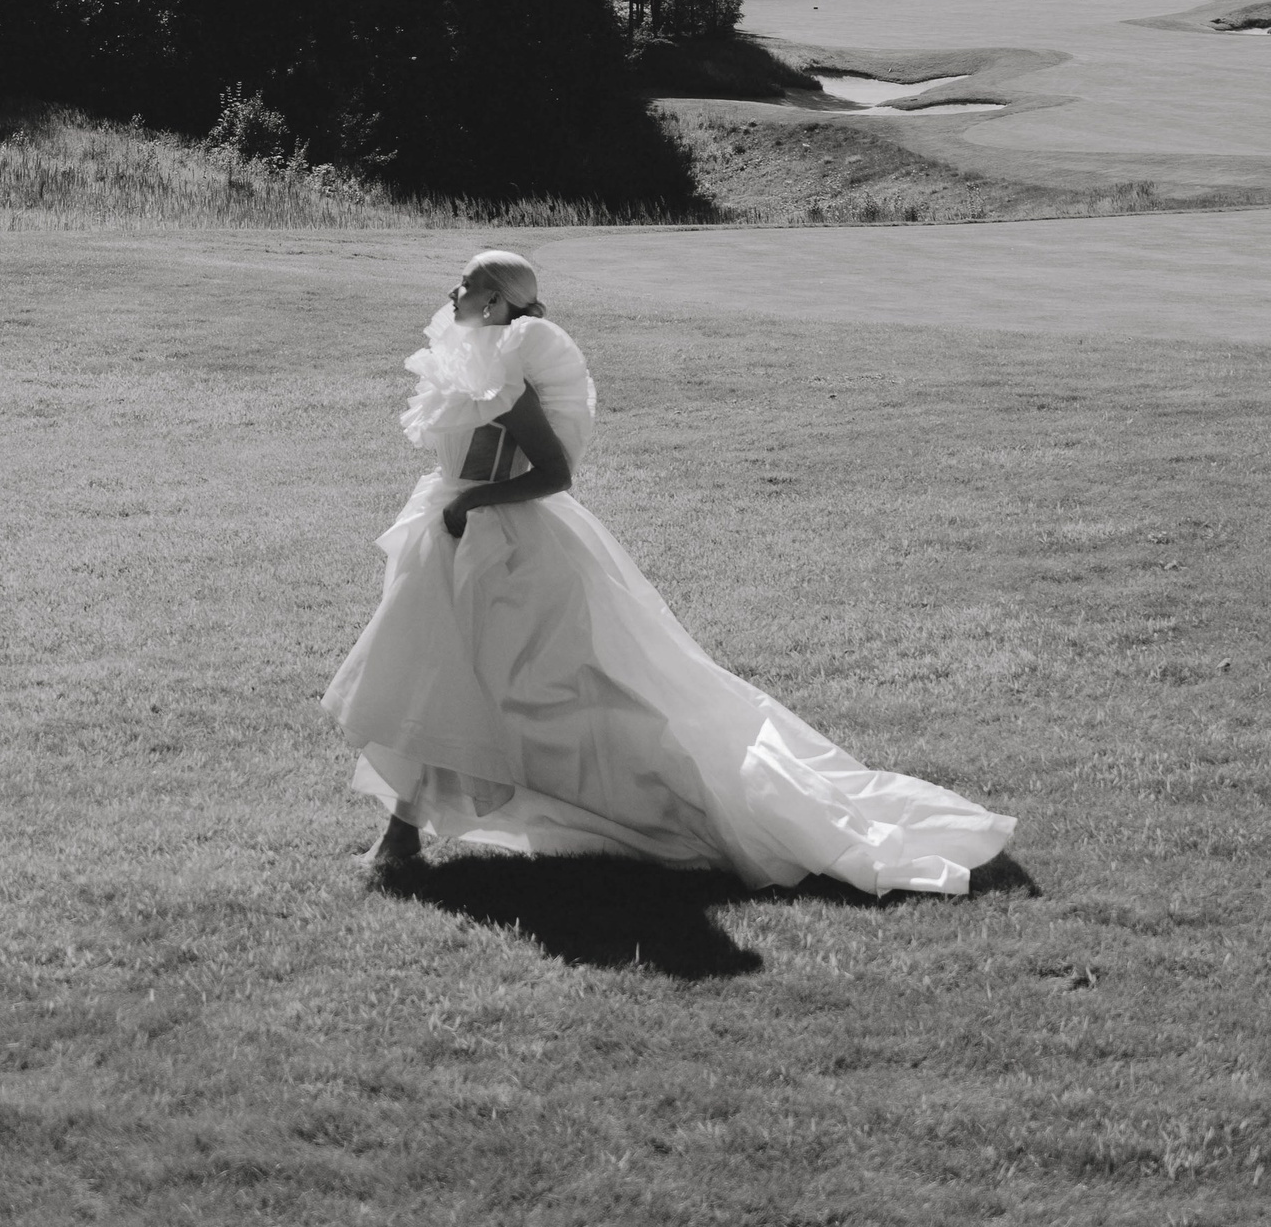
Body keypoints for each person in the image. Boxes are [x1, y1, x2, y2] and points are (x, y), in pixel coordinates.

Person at [322, 249, 1015, 894]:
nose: (455, 291)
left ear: (497, 302)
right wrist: (456, 503)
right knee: (433, 677)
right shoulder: (472, 362)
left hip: (499, 541)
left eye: (468, 283)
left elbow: (555, 472)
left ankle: (659, 804)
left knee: (521, 688)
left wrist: (473, 501)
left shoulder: (509, 376)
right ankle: (401, 837)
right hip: (452, 531)